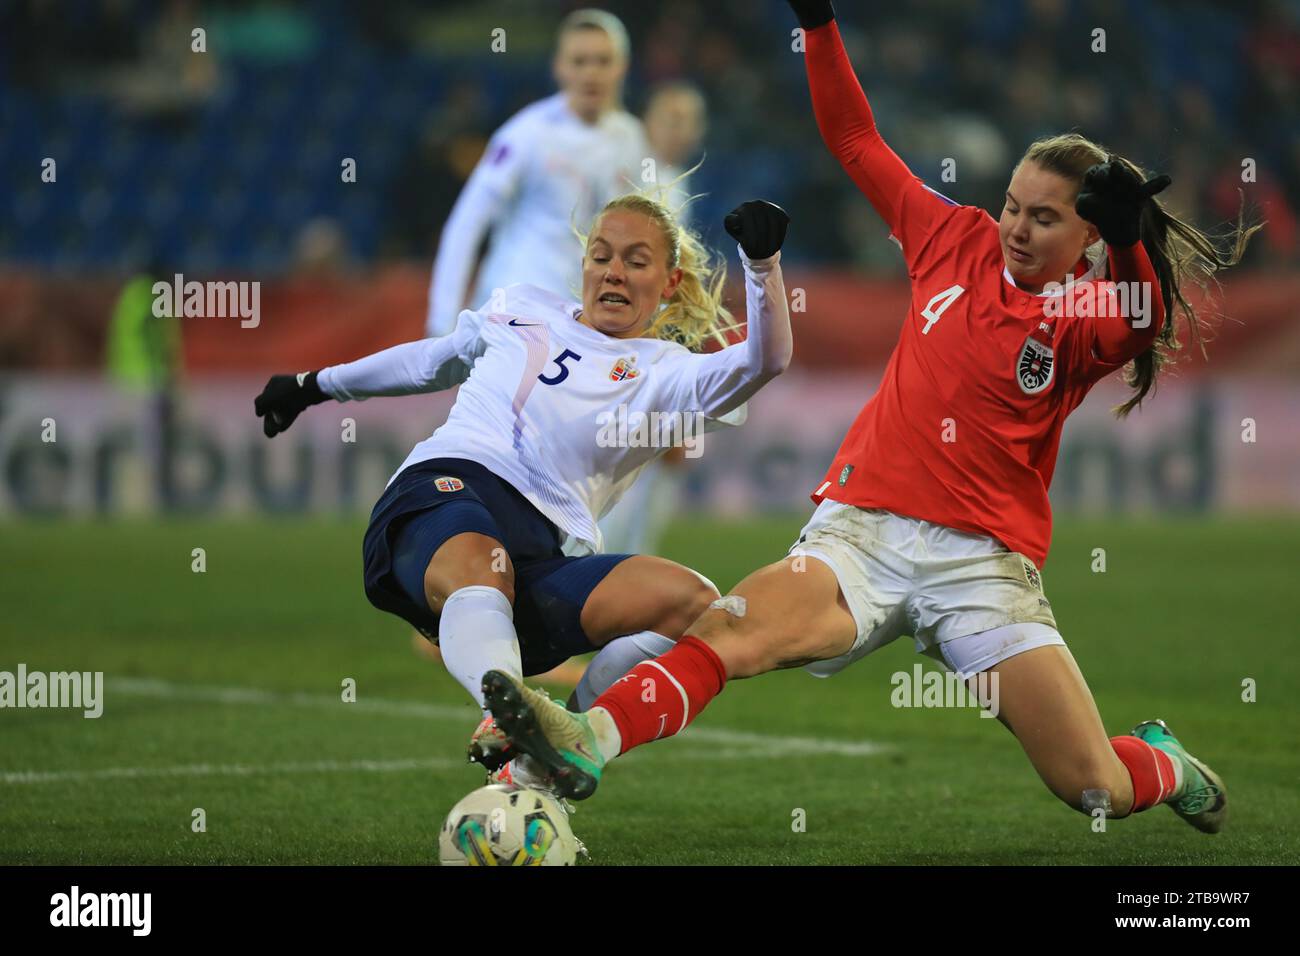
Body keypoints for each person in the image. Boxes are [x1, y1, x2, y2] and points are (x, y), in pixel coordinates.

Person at [481, 0, 1259, 834]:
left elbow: (1144, 320)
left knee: (1092, 786)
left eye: (1045, 217)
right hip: (862, 535)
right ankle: (583, 739)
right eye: (1013, 205)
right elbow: (857, 140)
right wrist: (818, 24)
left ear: (1090, 236)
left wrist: (1136, 238)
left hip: (982, 568)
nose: (1017, 228)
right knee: (734, 632)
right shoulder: (951, 238)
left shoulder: (1089, 308)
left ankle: (1162, 760)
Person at [255, 194, 792, 785]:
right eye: (601, 255)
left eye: (637, 261)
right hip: (443, 491)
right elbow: (431, 362)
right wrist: (315, 385)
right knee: (485, 562)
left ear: (670, 282)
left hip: (541, 555)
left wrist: (761, 266)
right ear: (584, 266)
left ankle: (555, 751)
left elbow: (764, 361)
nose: (613, 271)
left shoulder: (669, 372)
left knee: (694, 604)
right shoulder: (522, 307)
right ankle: (502, 710)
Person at [424, 9, 650, 339]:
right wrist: (441, 323)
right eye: (579, 61)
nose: (591, 73)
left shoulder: (632, 138)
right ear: (559, 66)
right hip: (515, 310)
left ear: (623, 67)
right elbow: (467, 223)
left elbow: (645, 230)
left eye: (603, 61)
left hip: (585, 321)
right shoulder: (525, 134)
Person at [597, 82, 711, 558]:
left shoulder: (674, 182)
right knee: (628, 448)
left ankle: (632, 559)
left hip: (663, 333)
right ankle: (607, 560)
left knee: (666, 448)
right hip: (628, 337)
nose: (677, 128)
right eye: (670, 116)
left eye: (687, 119)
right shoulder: (626, 178)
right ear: (647, 121)